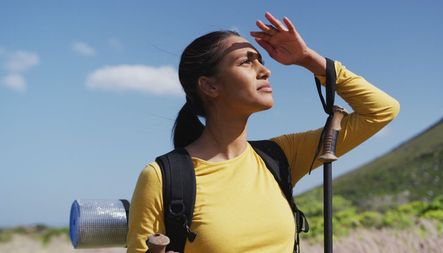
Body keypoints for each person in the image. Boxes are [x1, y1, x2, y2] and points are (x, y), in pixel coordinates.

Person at [126, 12, 400, 253]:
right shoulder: (163, 178)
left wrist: (307, 59)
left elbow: (381, 110)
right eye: (247, 62)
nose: (265, 70)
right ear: (209, 86)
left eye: (261, 61)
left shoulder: (280, 157)